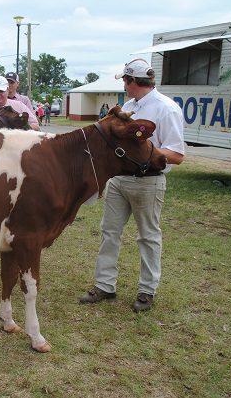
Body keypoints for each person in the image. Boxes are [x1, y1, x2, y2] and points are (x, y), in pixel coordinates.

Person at [80, 58, 185, 312]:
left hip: (148, 181)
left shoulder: (166, 109)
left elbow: (177, 155)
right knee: (109, 232)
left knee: (148, 236)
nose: (124, 86)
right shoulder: (129, 105)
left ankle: (147, 290)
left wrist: (142, 151)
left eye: (125, 81)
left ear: (132, 81)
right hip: (119, 180)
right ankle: (105, 285)